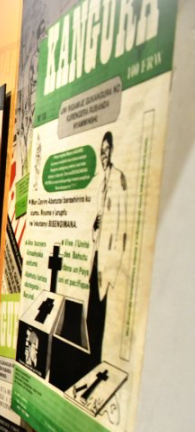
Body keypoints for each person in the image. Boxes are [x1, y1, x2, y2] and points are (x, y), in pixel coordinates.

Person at [88, 131, 128, 366]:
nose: (103, 155)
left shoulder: (118, 179)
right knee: (92, 315)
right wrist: (95, 227)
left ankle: (98, 363)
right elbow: (96, 226)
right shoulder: (100, 184)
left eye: (106, 150)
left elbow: (122, 228)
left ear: (112, 151)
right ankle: (91, 362)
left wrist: (114, 266)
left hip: (108, 264)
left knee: (103, 318)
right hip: (96, 258)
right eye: (101, 151)